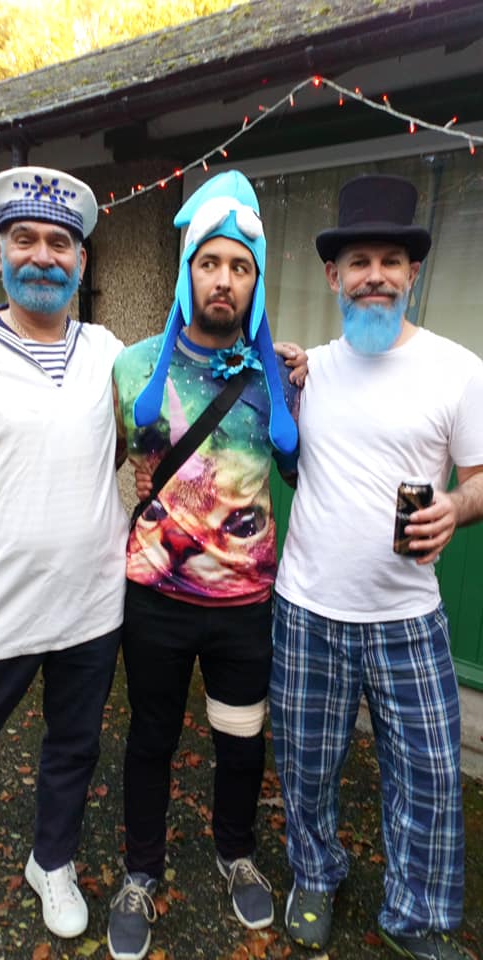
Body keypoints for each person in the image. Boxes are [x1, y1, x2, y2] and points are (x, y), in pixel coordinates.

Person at [269, 174, 483, 960]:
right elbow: (280, 448)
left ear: (413, 272)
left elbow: (480, 476)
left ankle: (415, 916)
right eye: (359, 261)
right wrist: (280, 380)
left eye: (391, 261)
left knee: (430, 773)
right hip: (307, 608)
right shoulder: (310, 370)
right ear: (333, 276)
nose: (375, 276)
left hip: (408, 614)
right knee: (306, 765)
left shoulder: (457, 369)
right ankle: (314, 874)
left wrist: (456, 507)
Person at [108, 170, 301, 960]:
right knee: (150, 737)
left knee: (240, 740)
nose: (224, 279)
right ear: (189, 271)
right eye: (210, 263)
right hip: (155, 599)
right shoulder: (131, 368)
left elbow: (304, 471)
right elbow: (103, 464)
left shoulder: (277, 376)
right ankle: (141, 872)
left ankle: (235, 851)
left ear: (256, 282)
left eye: (240, 266)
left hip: (244, 607)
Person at [0, 166, 129, 939]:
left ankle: (50, 861)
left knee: (74, 746)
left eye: (60, 243)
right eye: (24, 239)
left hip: (91, 604)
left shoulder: (106, 351)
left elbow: (130, 438)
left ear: (81, 262)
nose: (43, 256)